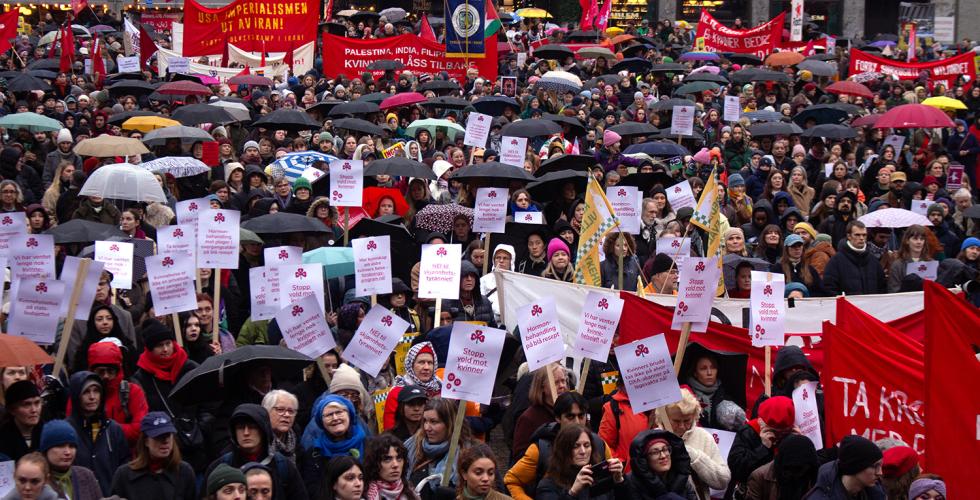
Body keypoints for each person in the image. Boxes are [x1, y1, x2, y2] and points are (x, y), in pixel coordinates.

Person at [208, 403, 308, 500]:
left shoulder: (283, 466)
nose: (246, 433)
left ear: (263, 430)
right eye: (240, 428)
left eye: (252, 427)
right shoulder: (220, 467)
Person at [653, 388, 730, 499]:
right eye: (676, 421)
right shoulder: (652, 439)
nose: (682, 426)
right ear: (664, 417)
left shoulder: (703, 437)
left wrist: (694, 456)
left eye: (687, 420)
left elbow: (722, 481)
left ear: (694, 416)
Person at [65, 371, 129, 495]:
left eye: (96, 391)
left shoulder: (113, 429)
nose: (92, 397)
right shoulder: (67, 430)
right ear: (76, 396)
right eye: (86, 392)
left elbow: (125, 468)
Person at [110, 411, 197, 500]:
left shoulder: (184, 472)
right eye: (159, 436)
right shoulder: (124, 475)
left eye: (168, 435)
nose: (165, 441)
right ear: (146, 441)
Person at [535, 424, 628, 500]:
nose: (583, 451)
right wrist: (572, 493)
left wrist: (619, 482)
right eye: (576, 446)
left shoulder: (600, 477)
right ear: (563, 450)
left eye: (587, 445)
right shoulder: (548, 485)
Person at [728, 396, 798, 498]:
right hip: (753, 492)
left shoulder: (794, 434)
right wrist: (763, 448)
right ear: (762, 424)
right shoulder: (749, 431)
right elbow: (737, 469)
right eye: (774, 431)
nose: (778, 436)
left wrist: (801, 444)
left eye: (782, 433)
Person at [301, 395, 368, 499]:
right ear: (321, 422)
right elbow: (313, 489)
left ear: (349, 415)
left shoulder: (367, 444)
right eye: (329, 415)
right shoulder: (315, 453)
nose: (335, 418)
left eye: (339, 412)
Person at [86, 340, 149, 447]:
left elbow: (141, 429)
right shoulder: (82, 393)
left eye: (110, 371)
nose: (106, 376)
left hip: (126, 456)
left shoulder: (133, 391)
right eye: (101, 371)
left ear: (118, 370)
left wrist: (105, 429)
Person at [405, 398, 471, 498]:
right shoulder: (412, 446)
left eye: (434, 422)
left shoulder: (468, 455)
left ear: (450, 423)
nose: (427, 427)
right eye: (425, 421)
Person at [512, 363, 569, 462]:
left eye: (563, 381)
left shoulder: (571, 411)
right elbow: (520, 457)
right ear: (542, 387)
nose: (562, 386)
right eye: (556, 382)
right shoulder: (529, 418)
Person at [803, 435, 884, 500]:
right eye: (875, 466)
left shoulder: (876, 492)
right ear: (856, 466)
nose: (880, 473)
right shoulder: (819, 497)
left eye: (881, 466)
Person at [626, 429, 698, 499]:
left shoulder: (680, 477)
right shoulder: (631, 483)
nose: (663, 456)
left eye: (665, 449)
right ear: (644, 459)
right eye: (655, 452)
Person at [38, 420, 101, 500]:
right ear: (46, 450)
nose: (68, 452)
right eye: (60, 446)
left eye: (72, 446)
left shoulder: (86, 475)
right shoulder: (37, 480)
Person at [384, 342, 440, 431]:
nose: (426, 367)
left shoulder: (439, 388)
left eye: (430, 363)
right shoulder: (397, 392)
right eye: (421, 362)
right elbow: (390, 431)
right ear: (411, 365)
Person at [746, 433, 819, 500]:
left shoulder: (814, 475)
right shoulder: (760, 477)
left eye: (802, 468)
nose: (798, 474)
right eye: (794, 468)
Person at [823, 221, 886, 295]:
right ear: (849, 236)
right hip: (847, 305)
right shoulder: (836, 261)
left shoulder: (874, 261)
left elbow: (882, 288)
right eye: (857, 235)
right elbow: (830, 288)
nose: (862, 238)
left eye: (864, 235)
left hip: (871, 305)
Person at [363, 433, 419, 500]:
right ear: (375, 463)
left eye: (399, 458)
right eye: (387, 459)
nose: (395, 465)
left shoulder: (411, 493)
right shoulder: (363, 493)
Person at [0, 380, 45, 461]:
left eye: (37, 403)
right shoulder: (3, 439)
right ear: (12, 410)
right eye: (26, 404)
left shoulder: (48, 433)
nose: (34, 410)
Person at [887, 225, 938, 292]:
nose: (919, 242)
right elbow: (893, 290)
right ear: (907, 241)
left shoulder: (931, 263)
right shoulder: (897, 265)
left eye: (922, 239)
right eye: (915, 239)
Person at [262, 389, 300, 463]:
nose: (287, 415)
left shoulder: (296, 437)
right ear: (266, 411)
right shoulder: (258, 441)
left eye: (291, 411)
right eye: (280, 410)